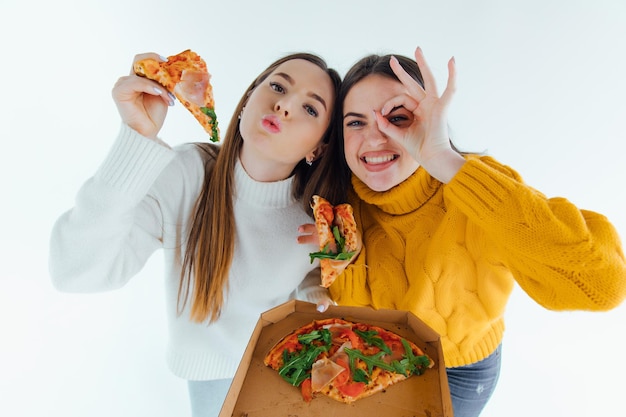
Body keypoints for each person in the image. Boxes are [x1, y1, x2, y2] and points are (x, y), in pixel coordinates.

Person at [317, 47, 626, 417]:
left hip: (461, 368)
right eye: (355, 122)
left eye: (397, 118)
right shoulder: (340, 204)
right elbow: (356, 315)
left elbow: (603, 285)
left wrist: (443, 159)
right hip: (386, 359)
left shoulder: (478, 185)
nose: (375, 138)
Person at [48, 51, 342, 417]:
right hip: (212, 380)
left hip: (286, 373)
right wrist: (137, 137)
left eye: (310, 109)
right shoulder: (186, 174)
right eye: (278, 86)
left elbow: (316, 284)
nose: (284, 105)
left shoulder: (319, 215)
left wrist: (328, 276)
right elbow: (73, 271)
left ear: (319, 147)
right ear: (248, 97)